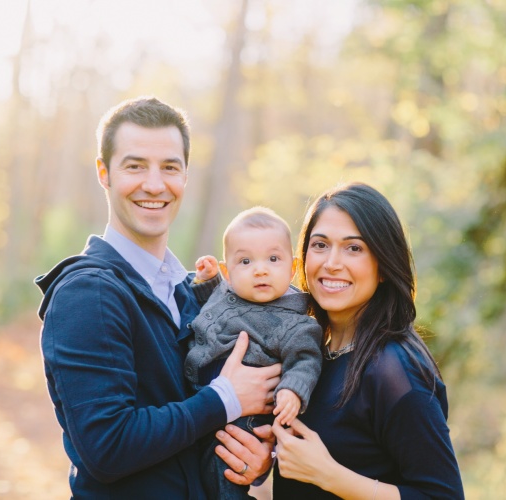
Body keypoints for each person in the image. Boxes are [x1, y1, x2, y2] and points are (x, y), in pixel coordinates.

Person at [34, 96, 279, 498]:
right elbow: (108, 448)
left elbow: (204, 432)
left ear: (185, 177)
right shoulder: (88, 293)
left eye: (169, 167)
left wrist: (251, 455)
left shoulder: (192, 292)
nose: (154, 184)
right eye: (135, 166)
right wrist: (225, 399)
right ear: (104, 173)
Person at [271, 183, 465, 499]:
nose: (331, 262)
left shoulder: (396, 370)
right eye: (320, 245)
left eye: (354, 248)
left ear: (384, 266)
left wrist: (330, 476)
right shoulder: (309, 355)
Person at [186, 206, 323, 499]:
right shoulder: (229, 291)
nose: (260, 269)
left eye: (273, 259)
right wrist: (208, 282)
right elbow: (213, 308)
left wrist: (292, 391)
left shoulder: (295, 324)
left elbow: (305, 360)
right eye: (245, 261)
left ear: (293, 267)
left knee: (224, 474)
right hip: (203, 405)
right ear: (228, 272)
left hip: (243, 422)